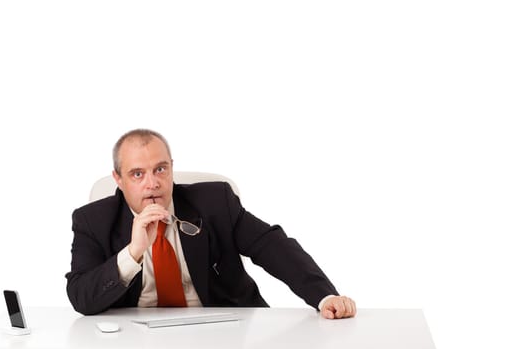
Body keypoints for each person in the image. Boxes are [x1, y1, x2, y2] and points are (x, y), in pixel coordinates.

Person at [66, 129, 356, 319]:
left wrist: (324, 296)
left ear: (171, 167)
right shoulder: (92, 220)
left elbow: (271, 245)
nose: (152, 184)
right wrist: (133, 252)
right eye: (137, 174)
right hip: (134, 338)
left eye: (160, 169)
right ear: (118, 179)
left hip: (222, 328)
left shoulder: (215, 202)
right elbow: (81, 297)